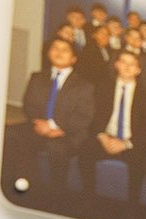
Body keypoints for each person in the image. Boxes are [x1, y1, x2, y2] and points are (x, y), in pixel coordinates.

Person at [20, 34, 95, 187]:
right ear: (48, 53)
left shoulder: (85, 85)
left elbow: (83, 116)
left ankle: (55, 195)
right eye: (55, 48)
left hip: (68, 133)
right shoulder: (37, 77)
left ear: (74, 58)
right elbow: (28, 104)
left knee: (57, 148)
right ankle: (28, 187)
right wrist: (40, 125)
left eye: (65, 50)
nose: (59, 52)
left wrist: (54, 126)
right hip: (38, 128)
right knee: (12, 137)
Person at [93, 48, 146, 202]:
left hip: (131, 143)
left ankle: (132, 204)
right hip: (105, 138)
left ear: (138, 70)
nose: (127, 67)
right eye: (123, 62)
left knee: (140, 161)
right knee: (85, 151)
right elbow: (94, 117)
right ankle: (89, 199)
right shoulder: (102, 88)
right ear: (116, 64)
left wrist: (126, 144)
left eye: (132, 64)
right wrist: (103, 138)